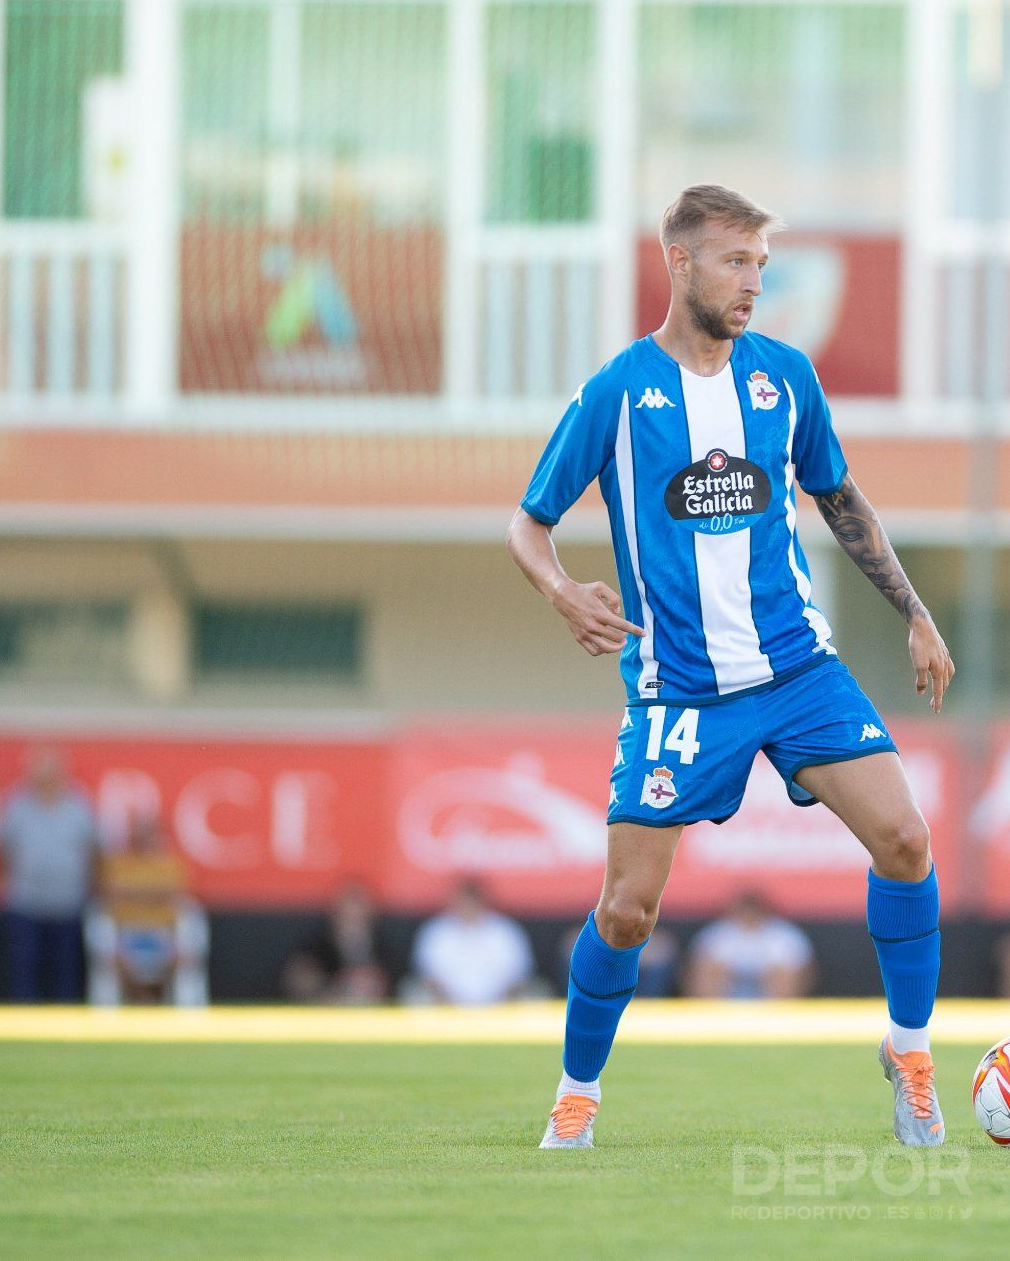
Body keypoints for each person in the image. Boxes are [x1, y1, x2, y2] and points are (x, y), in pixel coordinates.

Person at [507, 185, 954, 1150]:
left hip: (798, 671)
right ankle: (576, 1096)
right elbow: (527, 521)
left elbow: (842, 500)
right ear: (679, 263)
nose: (754, 282)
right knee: (627, 912)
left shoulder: (786, 377)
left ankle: (911, 1056)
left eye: (761, 264)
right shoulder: (619, 391)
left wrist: (916, 614)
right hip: (681, 692)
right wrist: (559, 590)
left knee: (908, 842)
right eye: (735, 262)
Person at [0, 745, 100, 1003]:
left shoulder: (78, 804)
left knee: (65, 969)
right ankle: (24, 1016)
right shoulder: (17, 805)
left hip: (69, 902)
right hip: (25, 902)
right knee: (25, 967)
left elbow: (94, 849)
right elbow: (1, 849)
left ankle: (66, 1020)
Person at [95, 813, 189, 1005]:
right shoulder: (119, 865)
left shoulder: (170, 866)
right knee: (118, 959)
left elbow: (174, 895)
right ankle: (137, 1002)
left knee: (180, 958)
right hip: (126, 933)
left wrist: (133, 894)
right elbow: (111, 893)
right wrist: (153, 895)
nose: (145, 839)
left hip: (162, 934)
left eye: (150, 833)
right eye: (141, 834)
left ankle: (152, 1001)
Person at [408, 877, 540, 1006]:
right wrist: (449, 1004)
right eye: (463, 901)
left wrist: (499, 1003)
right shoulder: (436, 931)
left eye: (471, 901)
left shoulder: (505, 930)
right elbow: (427, 975)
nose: (467, 906)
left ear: (483, 901)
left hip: (501, 1006)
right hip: (446, 1006)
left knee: (537, 994)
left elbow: (519, 975)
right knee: (415, 993)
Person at [685, 891, 815, 999]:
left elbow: (804, 973)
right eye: (745, 908)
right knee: (710, 970)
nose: (749, 913)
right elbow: (696, 969)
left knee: (783, 974)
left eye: (753, 908)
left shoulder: (784, 934)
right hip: (726, 994)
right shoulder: (717, 933)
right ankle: (712, 1019)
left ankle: (775, 1019)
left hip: (771, 996)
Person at [283, 879, 393, 1005]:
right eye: (347, 911)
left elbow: (399, 989)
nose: (353, 915)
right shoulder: (315, 949)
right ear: (335, 912)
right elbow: (299, 981)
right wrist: (337, 991)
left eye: (359, 910)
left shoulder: (384, 952)